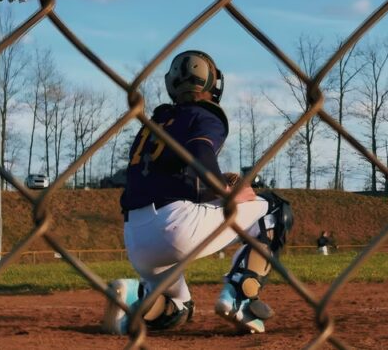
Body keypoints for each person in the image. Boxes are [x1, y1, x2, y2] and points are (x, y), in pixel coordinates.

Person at [102, 50, 293, 335]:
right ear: (212, 84)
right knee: (275, 208)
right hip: (175, 225)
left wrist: (214, 188)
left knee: (178, 309)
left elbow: (173, 176)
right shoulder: (205, 116)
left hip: (136, 236)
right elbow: (201, 156)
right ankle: (240, 298)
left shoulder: (154, 124)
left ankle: (135, 296)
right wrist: (227, 193)